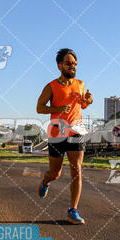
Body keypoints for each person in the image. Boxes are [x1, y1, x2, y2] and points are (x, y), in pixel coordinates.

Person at [36, 48, 93, 224]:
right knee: (56, 173)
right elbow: (40, 107)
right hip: (57, 132)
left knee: (76, 168)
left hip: (76, 130)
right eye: (69, 63)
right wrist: (58, 109)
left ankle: (73, 210)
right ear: (60, 65)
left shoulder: (81, 84)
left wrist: (88, 100)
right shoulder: (51, 86)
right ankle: (46, 181)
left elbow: (83, 104)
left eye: (75, 63)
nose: (73, 66)